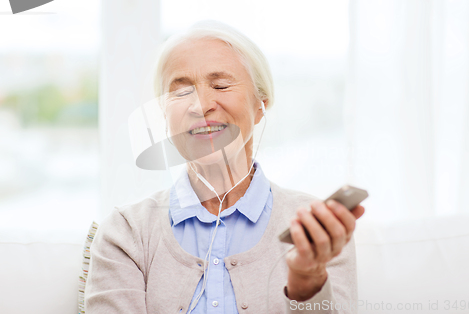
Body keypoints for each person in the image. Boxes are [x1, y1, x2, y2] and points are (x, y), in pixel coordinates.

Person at [85, 21, 365, 314]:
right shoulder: (126, 233)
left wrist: (307, 283)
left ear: (260, 105)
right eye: (180, 93)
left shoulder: (319, 231)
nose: (200, 105)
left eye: (220, 85)